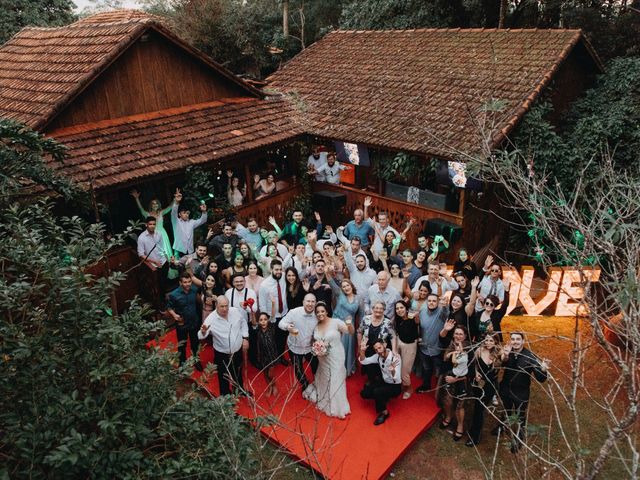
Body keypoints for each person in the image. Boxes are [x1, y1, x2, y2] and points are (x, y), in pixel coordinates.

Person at [496, 332, 550, 453]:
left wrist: (543, 369)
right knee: (507, 410)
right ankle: (503, 425)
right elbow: (502, 364)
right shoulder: (508, 351)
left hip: (521, 393)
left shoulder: (530, 357)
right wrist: (505, 355)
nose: (515, 342)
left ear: (523, 341)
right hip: (505, 389)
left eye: (518, 339)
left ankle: (519, 438)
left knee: (520, 417)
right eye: (513, 339)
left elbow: (541, 378)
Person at [302, 302, 353, 418]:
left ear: (327, 311)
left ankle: (338, 407)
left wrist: (349, 323)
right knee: (325, 378)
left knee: (336, 377)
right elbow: (314, 341)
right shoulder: (316, 327)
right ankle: (326, 398)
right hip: (322, 358)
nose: (320, 314)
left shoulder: (335, 322)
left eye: (322, 311)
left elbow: (350, 331)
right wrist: (316, 349)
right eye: (318, 312)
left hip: (336, 355)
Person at [198, 296, 250, 396]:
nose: (225, 309)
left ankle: (239, 390)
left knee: (238, 373)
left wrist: (245, 337)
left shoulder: (235, 311)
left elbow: (243, 323)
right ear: (216, 306)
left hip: (237, 350)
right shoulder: (211, 319)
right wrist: (203, 331)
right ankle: (225, 396)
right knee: (223, 376)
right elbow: (200, 335)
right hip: (221, 354)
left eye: (226, 306)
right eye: (222, 306)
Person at [466, 333, 502, 447]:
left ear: (496, 342)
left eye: (491, 341)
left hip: (490, 385)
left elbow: (505, 360)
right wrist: (476, 372)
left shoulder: (499, 354)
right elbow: (473, 364)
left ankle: (475, 437)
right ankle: (474, 433)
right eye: (486, 340)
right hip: (479, 384)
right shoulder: (479, 351)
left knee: (480, 409)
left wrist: (504, 353)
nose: (488, 343)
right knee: (478, 407)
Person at [359, 339, 402, 425]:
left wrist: (392, 370)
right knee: (364, 393)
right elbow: (364, 361)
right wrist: (362, 351)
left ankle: (384, 413)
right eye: (376, 349)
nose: (378, 351)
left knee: (377, 392)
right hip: (384, 382)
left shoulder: (395, 357)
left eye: (380, 347)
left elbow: (396, 378)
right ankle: (384, 398)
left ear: (385, 345)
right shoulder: (378, 356)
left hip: (395, 386)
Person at [280, 293, 319, 391]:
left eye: (313, 301)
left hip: (311, 347)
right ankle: (305, 386)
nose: (310, 304)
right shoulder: (294, 312)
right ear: (303, 302)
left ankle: (318, 382)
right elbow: (281, 323)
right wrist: (288, 327)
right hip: (295, 347)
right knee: (298, 370)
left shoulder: (318, 314)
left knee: (316, 366)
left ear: (316, 303)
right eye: (308, 301)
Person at [328, 274, 363, 376]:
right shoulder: (339, 294)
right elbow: (331, 283)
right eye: (343, 286)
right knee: (334, 347)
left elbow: (361, 315)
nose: (346, 288)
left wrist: (360, 331)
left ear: (351, 286)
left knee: (345, 348)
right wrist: (327, 272)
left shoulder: (359, 299)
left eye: (347, 285)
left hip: (349, 327)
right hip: (336, 323)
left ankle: (345, 369)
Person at [441, 325, 471, 442]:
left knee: (460, 405)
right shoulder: (452, 344)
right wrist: (452, 352)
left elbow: (471, 370)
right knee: (447, 400)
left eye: (460, 334)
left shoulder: (468, 347)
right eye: (456, 333)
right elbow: (445, 357)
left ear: (465, 336)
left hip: (463, 380)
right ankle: (448, 417)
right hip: (450, 376)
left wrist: (456, 379)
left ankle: (460, 425)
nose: (458, 336)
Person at [166, 272, 202, 370]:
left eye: (189, 282)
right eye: (185, 282)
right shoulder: (174, 294)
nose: (188, 284)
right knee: (182, 345)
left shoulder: (194, 290)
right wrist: (174, 315)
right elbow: (169, 307)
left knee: (195, 343)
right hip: (182, 324)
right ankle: (182, 363)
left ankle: (196, 360)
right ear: (180, 283)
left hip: (194, 322)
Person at [416, 294, 449, 393]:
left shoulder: (441, 312)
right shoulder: (422, 312)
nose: (431, 303)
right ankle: (426, 386)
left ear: (438, 303)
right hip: (424, 348)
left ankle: (440, 391)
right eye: (429, 301)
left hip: (437, 348)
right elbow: (419, 327)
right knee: (426, 368)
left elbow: (446, 312)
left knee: (439, 371)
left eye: (434, 301)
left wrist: (445, 306)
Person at [258, 259, 289, 365]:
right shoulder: (264, 285)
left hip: (284, 313)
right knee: (272, 339)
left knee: (282, 338)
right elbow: (262, 304)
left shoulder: (284, 277)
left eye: (280, 269)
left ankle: (281, 356)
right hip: (272, 317)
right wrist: (264, 320)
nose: (279, 272)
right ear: (271, 269)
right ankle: (272, 359)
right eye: (276, 269)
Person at [358, 301, 397, 384]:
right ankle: (370, 378)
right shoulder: (366, 319)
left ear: (384, 310)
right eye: (376, 308)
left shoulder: (388, 322)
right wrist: (359, 345)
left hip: (380, 349)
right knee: (369, 365)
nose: (378, 310)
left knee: (380, 366)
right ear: (372, 309)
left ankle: (380, 379)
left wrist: (394, 350)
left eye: (381, 308)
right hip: (368, 347)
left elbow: (393, 336)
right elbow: (359, 332)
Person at [131, 190, 173, 261]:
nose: (155, 205)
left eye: (156, 203)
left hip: (162, 234)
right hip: (153, 235)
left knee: (165, 250)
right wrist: (136, 198)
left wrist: (175, 199)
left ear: (158, 204)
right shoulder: (147, 214)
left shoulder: (161, 212)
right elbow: (141, 209)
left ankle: (169, 264)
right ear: (151, 205)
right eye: (153, 204)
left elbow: (170, 207)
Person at [137, 216, 169, 310]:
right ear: (146, 225)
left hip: (163, 262)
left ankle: (165, 301)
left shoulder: (159, 234)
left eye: (154, 224)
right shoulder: (142, 238)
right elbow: (141, 255)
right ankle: (161, 305)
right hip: (154, 265)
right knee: (158, 285)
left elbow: (162, 247)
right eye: (150, 224)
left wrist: (166, 257)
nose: (152, 226)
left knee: (164, 283)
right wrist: (154, 261)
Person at [393, 301, 420, 399]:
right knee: (396, 366)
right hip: (399, 342)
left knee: (405, 371)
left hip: (410, 346)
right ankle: (400, 385)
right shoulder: (398, 319)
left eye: (401, 307)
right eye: (397, 308)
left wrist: (416, 316)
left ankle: (409, 388)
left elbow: (417, 322)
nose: (399, 310)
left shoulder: (412, 317)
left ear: (406, 308)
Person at [170, 188, 208, 256]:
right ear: (179, 214)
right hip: (179, 250)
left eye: (187, 213)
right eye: (184, 213)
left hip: (190, 251)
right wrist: (176, 202)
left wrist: (204, 212)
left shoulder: (191, 222)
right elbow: (173, 212)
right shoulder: (176, 222)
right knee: (177, 266)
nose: (186, 215)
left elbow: (203, 220)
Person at [252, 312, 279, 396]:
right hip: (263, 356)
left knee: (270, 374)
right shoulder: (258, 330)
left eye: (265, 319)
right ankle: (270, 387)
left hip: (272, 355)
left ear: (268, 320)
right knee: (265, 373)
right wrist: (252, 312)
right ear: (258, 322)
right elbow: (253, 323)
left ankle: (274, 386)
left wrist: (273, 303)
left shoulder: (271, 328)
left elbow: (273, 316)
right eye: (261, 320)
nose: (263, 321)